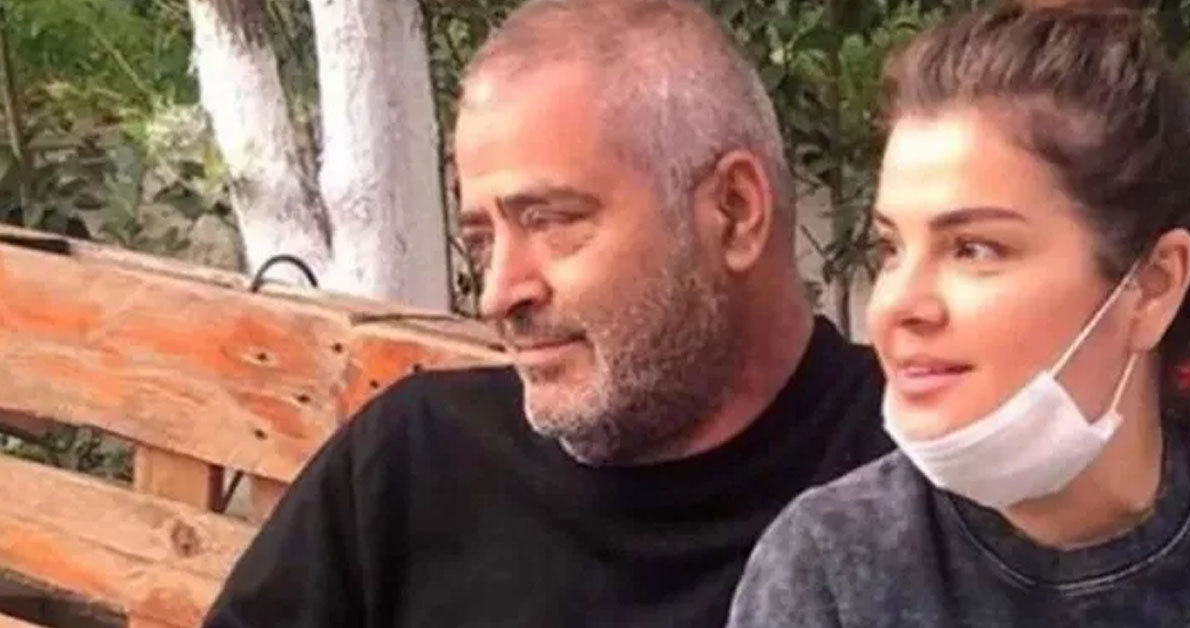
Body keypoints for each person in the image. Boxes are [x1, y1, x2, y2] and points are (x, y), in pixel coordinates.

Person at [202, 1, 893, 626]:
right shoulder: (414, 464)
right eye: (482, 240)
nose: (498, 293)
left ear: (734, 212)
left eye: (551, 220)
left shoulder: (911, 495)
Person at [727, 3, 1190, 627]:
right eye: (891, 249)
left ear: (1153, 286)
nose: (897, 306)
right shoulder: (832, 572)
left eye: (974, 249)